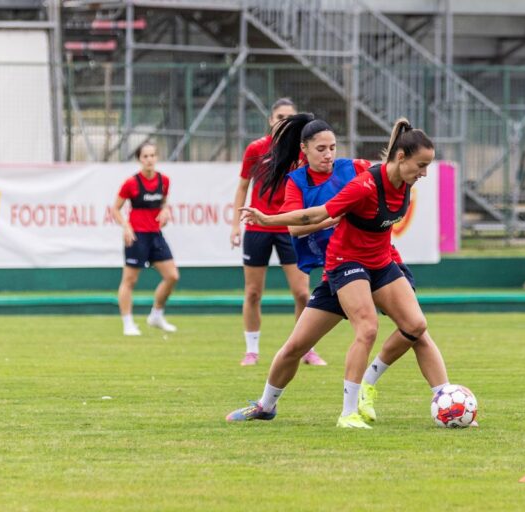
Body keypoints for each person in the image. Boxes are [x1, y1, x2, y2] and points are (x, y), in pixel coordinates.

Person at [234, 117, 454, 428]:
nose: (329, 154)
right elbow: (302, 224)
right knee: (307, 343)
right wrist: (267, 219)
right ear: (304, 150)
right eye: (321, 149)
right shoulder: (308, 182)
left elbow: (386, 165)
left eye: (333, 147)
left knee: (416, 326)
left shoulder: (365, 170)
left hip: (378, 262)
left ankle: (446, 401)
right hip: (343, 262)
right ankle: (271, 406)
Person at [230, 98, 326, 366]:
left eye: (290, 117)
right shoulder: (256, 149)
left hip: (290, 229)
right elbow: (242, 187)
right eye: (279, 116)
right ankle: (252, 350)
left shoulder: (301, 153)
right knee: (252, 293)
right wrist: (235, 224)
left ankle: (306, 348)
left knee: (302, 293)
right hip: (258, 228)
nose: (284, 121)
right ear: (271, 120)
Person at [112, 142, 180, 336]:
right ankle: (128, 323)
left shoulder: (164, 181)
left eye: (152, 156)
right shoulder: (131, 183)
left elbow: (163, 203)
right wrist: (126, 226)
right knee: (130, 280)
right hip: (136, 236)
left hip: (156, 235)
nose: (150, 160)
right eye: (145, 156)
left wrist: (165, 211)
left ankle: (156, 315)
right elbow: (115, 208)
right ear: (139, 160)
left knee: (172, 276)